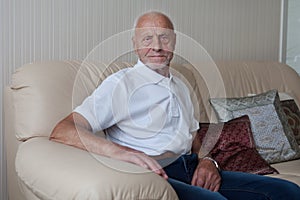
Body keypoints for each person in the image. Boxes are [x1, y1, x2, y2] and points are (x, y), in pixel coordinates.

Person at [50, 11, 300, 200]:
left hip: (191, 167)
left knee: (287, 191)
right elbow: (62, 130)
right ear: (135, 44)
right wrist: (121, 153)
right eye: (147, 38)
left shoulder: (181, 85)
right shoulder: (121, 84)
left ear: (174, 42)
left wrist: (208, 162)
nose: (157, 46)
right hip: (153, 175)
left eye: (164, 38)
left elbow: (194, 139)